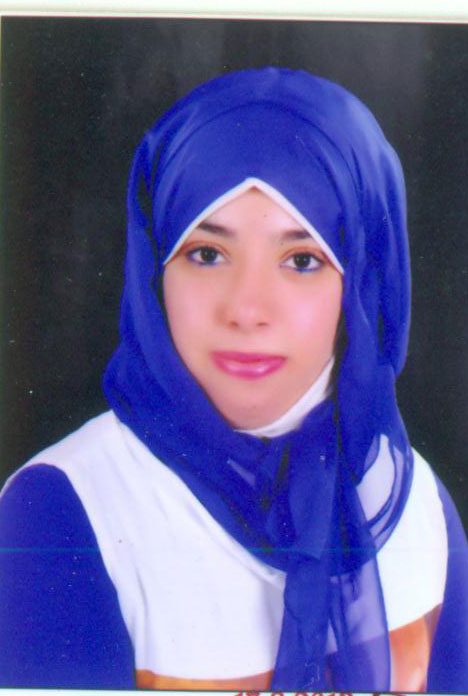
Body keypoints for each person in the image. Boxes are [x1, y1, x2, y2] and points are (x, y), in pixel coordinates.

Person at [1, 67, 467, 692]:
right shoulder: (62, 514)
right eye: (207, 254)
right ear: (154, 270)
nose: (247, 309)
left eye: (301, 260)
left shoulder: (410, 499)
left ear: (361, 285)